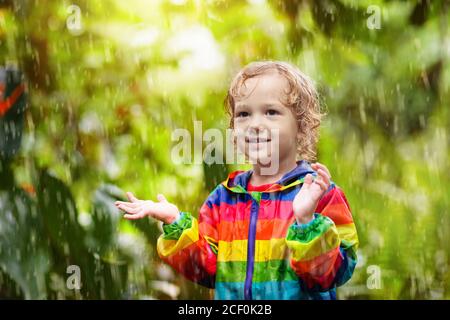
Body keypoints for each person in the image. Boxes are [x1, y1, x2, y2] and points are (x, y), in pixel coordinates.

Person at [115, 61, 359, 300]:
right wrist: (173, 220)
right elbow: (207, 270)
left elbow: (331, 275)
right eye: (243, 114)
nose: (254, 124)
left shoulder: (320, 194)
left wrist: (306, 222)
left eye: (271, 112)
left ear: (301, 127)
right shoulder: (223, 199)